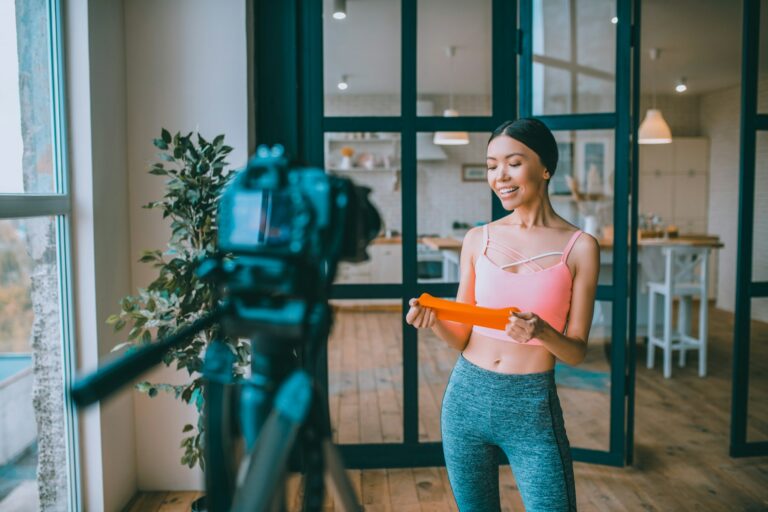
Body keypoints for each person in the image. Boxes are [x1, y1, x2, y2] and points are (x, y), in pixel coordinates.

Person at [406, 118, 600, 512]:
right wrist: (435, 319)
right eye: (492, 165)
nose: (500, 176)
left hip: (531, 407)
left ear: (545, 168)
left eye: (513, 163)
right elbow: (462, 335)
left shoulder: (580, 247)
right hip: (465, 399)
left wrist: (542, 332)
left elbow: (577, 351)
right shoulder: (478, 239)